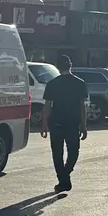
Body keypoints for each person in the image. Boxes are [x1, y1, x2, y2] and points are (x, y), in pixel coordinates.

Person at [41, 55, 88, 192]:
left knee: (57, 153)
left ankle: (63, 179)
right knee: (73, 151)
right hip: (73, 123)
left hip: (56, 123)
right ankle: (65, 174)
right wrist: (84, 126)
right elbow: (82, 106)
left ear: (58, 66)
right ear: (70, 66)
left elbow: (47, 106)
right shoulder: (80, 83)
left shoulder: (52, 84)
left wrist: (44, 124)